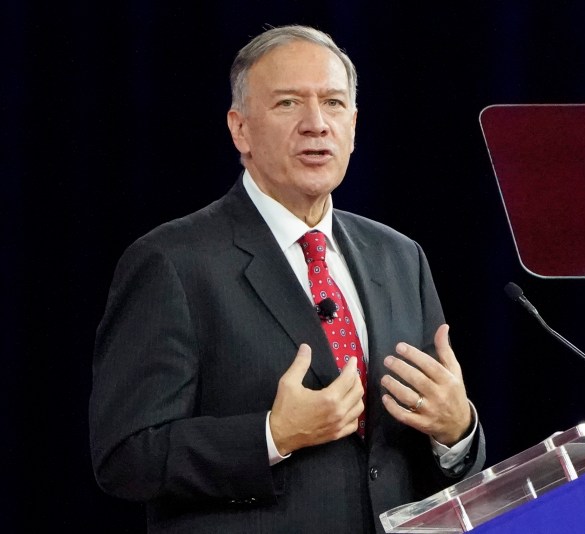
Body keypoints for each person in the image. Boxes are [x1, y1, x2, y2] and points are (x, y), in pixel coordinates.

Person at [89, 24, 485, 533]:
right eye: (288, 104)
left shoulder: (398, 257)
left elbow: (418, 460)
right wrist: (273, 435)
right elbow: (126, 456)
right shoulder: (173, 262)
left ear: (355, 125)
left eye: (334, 104)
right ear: (240, 129)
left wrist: (457, 431)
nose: (317, 124)